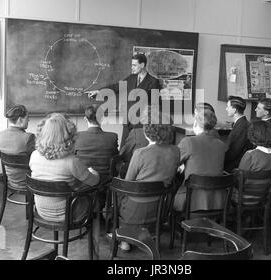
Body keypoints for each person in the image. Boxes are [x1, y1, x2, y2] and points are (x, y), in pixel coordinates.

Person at [116, 108, 179, 251]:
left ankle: (124, 236)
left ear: (147, 131)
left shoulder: (140, 153)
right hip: (161, 208)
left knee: (118, 192)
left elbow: (127, 184)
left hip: (134, 211)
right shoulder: (176, 151)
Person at [29, 113, 100, 222]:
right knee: (96, 196)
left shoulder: (34, 155)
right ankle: (95, 237)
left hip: (41, 211)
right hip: (68, 214)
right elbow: (94, 182)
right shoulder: (71, 161)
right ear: (67, 136)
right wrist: (93, 172)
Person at [87, 53, 161, 147]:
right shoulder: (131, 78)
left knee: (137, 152)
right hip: (127, 123)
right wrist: (99, 92)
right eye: (131, 65)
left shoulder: (153, 82)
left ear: (142, 65)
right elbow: (116, 87)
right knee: (123, 150)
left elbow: (155, 105)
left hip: (141, 126)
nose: (132, 68)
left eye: (134, 65)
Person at [173, 109, 226, 212]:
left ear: (196, 123)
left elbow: (172, 162)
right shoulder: (221, 144)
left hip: (191, 200)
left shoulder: (188, 142)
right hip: (217, 201)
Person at [74, 105, 118, 208]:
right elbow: (115, 158)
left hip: (83, 181)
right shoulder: (112, 137)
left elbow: (74, 158)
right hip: (106, 182)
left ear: (85, 118)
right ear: (102, 118)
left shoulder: (77, 136)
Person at [0, 105, 35, 190]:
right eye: (27, 118)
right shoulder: (29, 137)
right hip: (28, 181)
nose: (28, 120)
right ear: (20, 119)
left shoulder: (0, 135)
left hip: (10, 180)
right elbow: (37, 161)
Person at [224, 96, 250, 172]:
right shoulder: (240, 123)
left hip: (234, 167)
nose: (226, 109)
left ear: (234, 110)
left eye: (228, 107)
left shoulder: (242, 127)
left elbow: (234, 152)